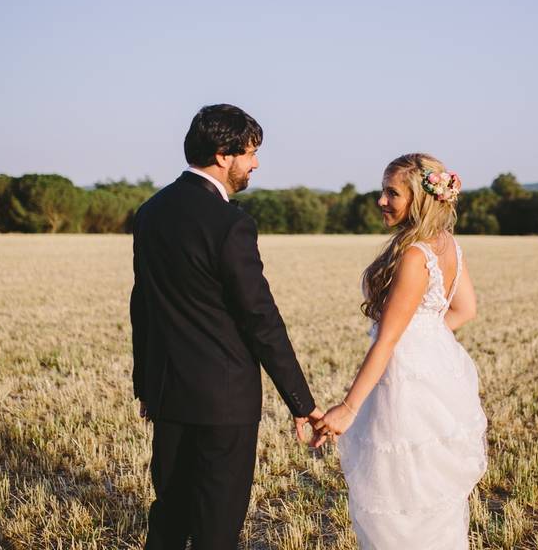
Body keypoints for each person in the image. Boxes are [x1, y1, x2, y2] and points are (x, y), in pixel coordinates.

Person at [130, 104, 323, 549]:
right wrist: (300, 401)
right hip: (224, 403)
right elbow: (259, 318)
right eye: (251, 152)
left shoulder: (150, 212)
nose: (255, 163)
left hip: (169, 394)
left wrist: (146, 383)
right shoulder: (230, 223)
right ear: (223, 154)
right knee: (217, 525)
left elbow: (143, 304)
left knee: (170, 515)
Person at [314, 153, 488, 548]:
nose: (381, 200)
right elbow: (465, 309)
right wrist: (426, 338)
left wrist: (349, 407)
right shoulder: (446, 245)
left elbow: (389, 339)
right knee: (428, 499)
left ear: (420, 199)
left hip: (405, 390)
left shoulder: (414, 255)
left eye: (392, 193)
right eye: (382, 191)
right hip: (436, 378)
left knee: (398, 501)